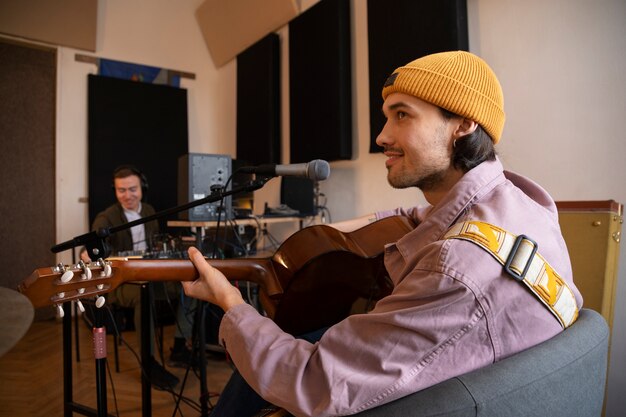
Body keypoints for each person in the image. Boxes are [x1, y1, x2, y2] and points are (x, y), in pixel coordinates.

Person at [181, 51, 583, 416]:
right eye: (387, 115)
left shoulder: (457, 267)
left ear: (463, 123)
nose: (382, 136)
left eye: (403, 115)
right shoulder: (523, 202)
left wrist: (232, 304)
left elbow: (313, 381)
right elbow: (413, 215)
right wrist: (326, 234)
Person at [82, 165, 196, 390]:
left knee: (190, 287)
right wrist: (89, 253)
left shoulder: (150, 211)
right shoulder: (106, 218)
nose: (127, 195)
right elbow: (92, 251)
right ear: (115, 191)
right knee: (145, 294)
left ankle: (180, 347)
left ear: (142, 188)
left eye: (132, 189)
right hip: (121, 284)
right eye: (121, 190)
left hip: (150, 276)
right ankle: (148, 364)